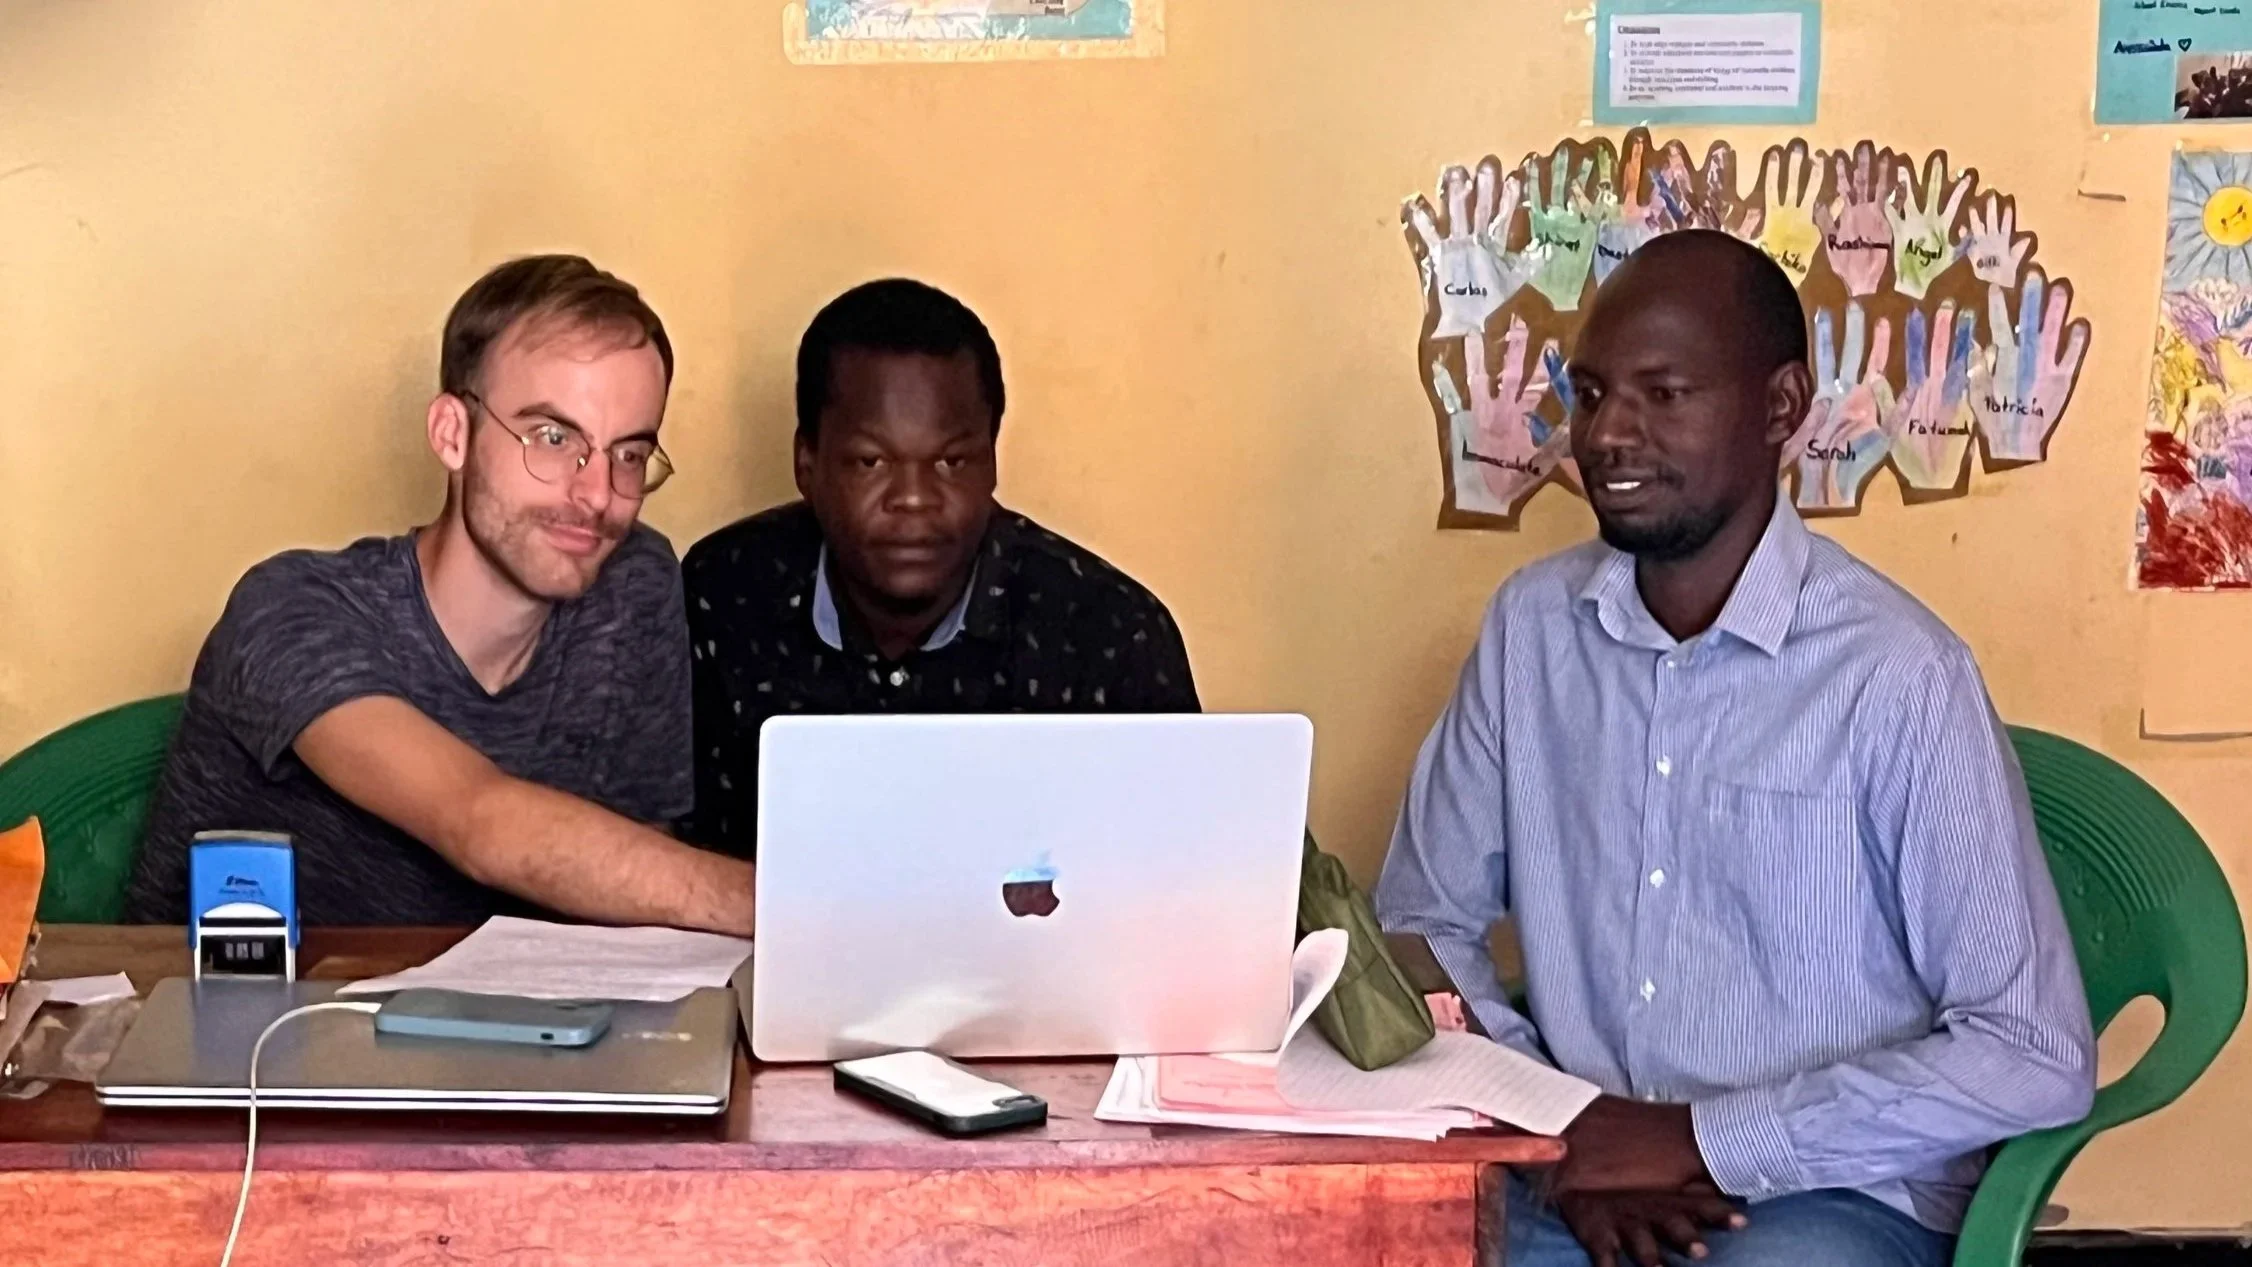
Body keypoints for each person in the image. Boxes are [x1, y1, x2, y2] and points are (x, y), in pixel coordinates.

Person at [1374, 231, 2095, 1267]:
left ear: (1778, 408)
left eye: (1663, 395)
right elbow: (1417, 925)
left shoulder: (1895, 675)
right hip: (1572, 1165)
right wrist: (1560, 1137)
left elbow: (2031, 1054)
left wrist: (1692, 1141)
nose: (1608, 435)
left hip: (1834, 1191)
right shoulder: (1530, 632)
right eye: (1589, 394)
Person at [126, 256, 755, 934]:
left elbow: (641, 885)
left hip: (513, 1026)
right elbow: (480, 820)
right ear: (452, 433)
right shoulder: (290, 609)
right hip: (231, 1024)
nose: (597, 496)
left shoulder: (633, 584)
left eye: (628, 454)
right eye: (552, 437)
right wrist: (807, 912)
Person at [679, 279, 1199, 857]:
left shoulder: (1109, 633)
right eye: (870, 461)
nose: (915, 498)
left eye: (952, 461)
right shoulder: (722, 597)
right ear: (807, 464)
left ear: (993, 462)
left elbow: (1176, 882)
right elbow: (668, 856)